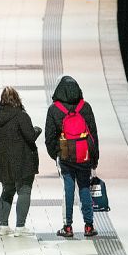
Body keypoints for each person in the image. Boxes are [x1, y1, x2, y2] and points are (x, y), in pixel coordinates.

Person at [0, 87, 41, 237]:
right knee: (24, 190)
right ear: (17, 99)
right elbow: (30, 136)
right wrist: (37, 130)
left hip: (2, 160)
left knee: (7, 191)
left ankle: (3, 226)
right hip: (23, 160)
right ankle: (20, 227)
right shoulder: (21, 115)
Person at [45, 76, 99, 238]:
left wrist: (56, 154)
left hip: (65, 154)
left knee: (68, 189)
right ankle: (89, 226)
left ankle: (67, 226)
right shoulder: (85, 107)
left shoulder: (54, 109)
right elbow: (93, 134)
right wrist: (94, 158)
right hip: (84, 154)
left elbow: (49, 136)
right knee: (84, 188)